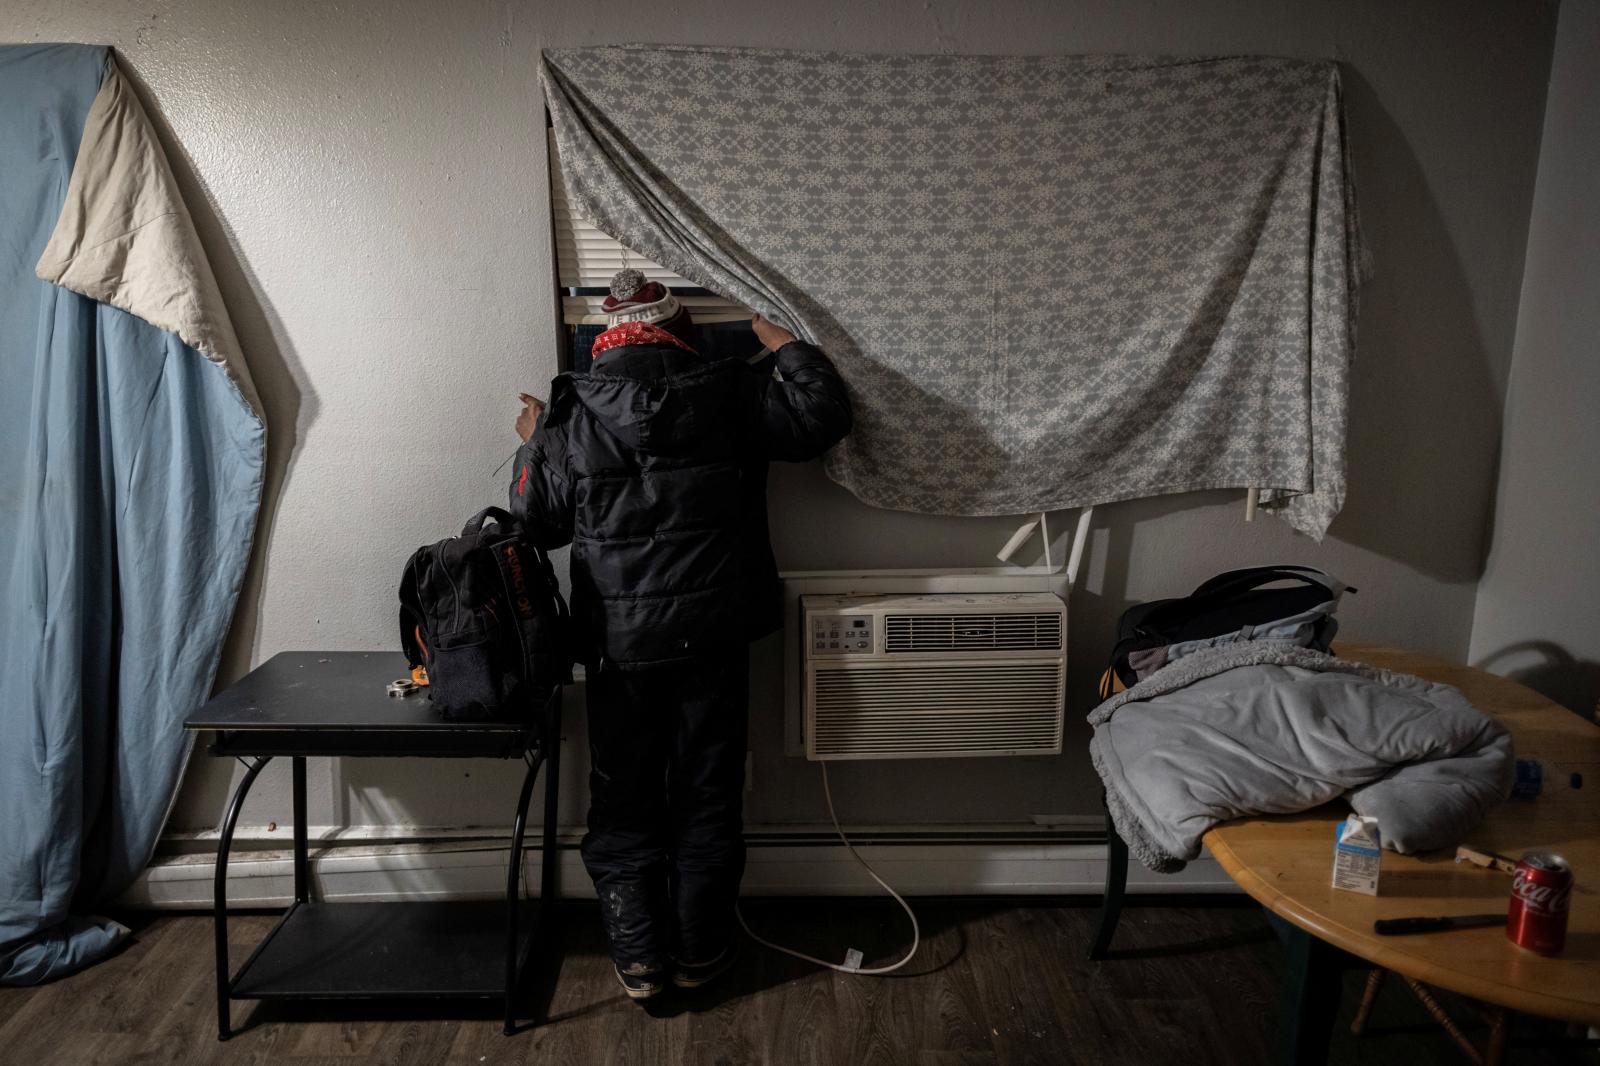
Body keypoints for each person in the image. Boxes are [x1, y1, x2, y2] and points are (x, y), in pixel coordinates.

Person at [508, 276, 851, 1001]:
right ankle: (701, 952)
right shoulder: (729, 391)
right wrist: (787, 347)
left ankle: (639, 964)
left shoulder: (573, 412)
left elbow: (540, 523)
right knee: (708, 792)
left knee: (624, 796)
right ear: (681, 330)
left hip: (619, 645)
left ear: (604, 338)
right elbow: (823, 415)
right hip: (714, 636)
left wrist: (535, 441)